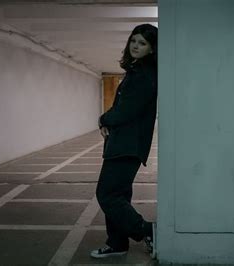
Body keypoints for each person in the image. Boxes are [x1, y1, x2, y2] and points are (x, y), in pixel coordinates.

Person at [90, 24, 158, 259]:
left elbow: (127, 110)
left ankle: (147, 230)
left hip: (127, 145)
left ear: (152, 49)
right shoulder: (138, 71)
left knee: (107, 194)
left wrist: (103, 118)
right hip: (124, 144)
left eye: (143, 43)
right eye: (133, 41)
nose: (136, 46)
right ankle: (117, 243)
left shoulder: (144, 75)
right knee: (118, 196)